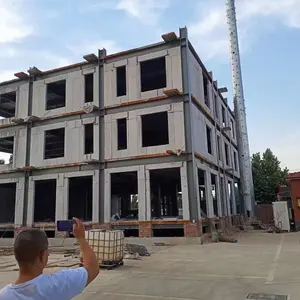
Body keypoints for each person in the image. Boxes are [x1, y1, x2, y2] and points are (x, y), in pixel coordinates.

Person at [0, 218, 99, 299]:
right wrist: (81, 238)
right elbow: (93, 268)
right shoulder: (57, 285)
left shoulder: (4, 295)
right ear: (42, 255)